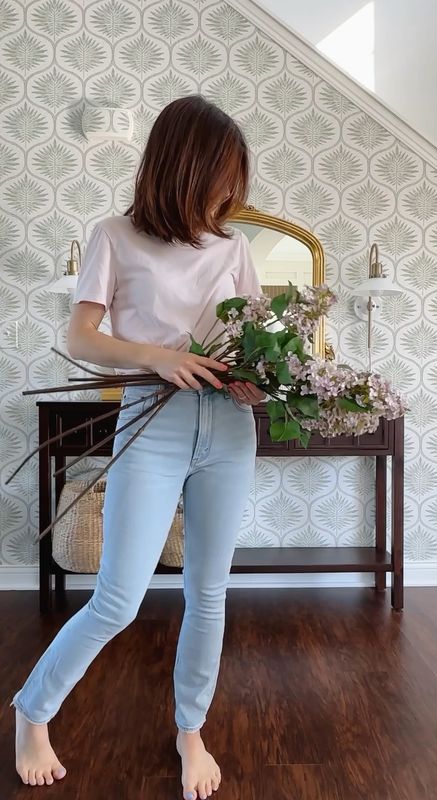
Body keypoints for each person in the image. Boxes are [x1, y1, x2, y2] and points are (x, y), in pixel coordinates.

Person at [11, 95, 266, 800]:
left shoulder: (233, 247)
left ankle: (191, 730)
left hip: (229, 427)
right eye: (221, 175)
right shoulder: (116, 236)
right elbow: (83, 338)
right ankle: (32, 713)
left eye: (236, 180)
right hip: (153, 421)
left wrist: (259, 381)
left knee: (208, 593)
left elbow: (252, 341)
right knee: (119, 598)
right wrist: (156, 357)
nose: (229, 192)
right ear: (185, 166)